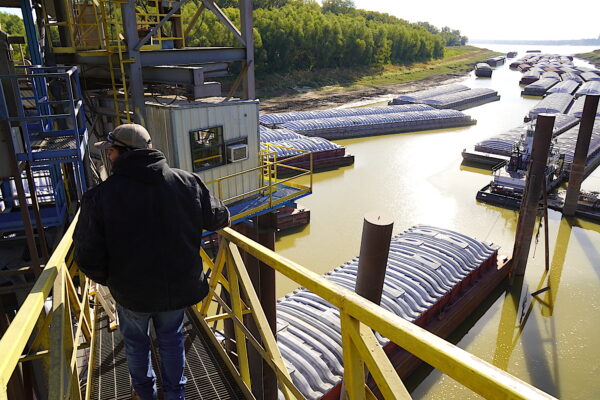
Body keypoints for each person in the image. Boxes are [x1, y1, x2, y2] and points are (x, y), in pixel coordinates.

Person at [73, 123, 230, 400]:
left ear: (121, 153)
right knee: (172, 340)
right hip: (178, 287)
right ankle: (174, 395)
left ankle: (145, 394)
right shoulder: (188, 182)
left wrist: (111, 279)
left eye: (110, 151)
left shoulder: (99, 197)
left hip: (131, 292)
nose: (108, 157)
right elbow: (219, 218)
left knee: (136, 343)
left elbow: (86, 255)